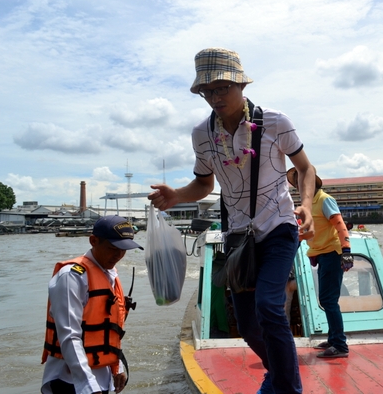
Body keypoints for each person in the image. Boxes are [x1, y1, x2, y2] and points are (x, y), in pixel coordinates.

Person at [148, 47, 316, 394]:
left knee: (269, 306)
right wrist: (176, 195)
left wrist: (308, 207)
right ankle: (277, 374)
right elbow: (204, 184)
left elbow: (305, 168)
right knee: (248, 325)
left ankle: (288, 389)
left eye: (222, 88)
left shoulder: (275, 122)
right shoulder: (202, 134)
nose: (215, 97)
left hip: (279, 225)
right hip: (237, 237)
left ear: (241, 85)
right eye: (207, 91)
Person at [41, 215, 143, 394]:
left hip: (101, 377)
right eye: (113, 248)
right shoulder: (72, 276)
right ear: (93, 241)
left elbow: (110, 328)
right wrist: (88, 386)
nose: (119, 256)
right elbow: (69, 335)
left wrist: (116, 366)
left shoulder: (110, 274)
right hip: (70, 381)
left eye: (123, 250)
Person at [286, 167, 352, 358]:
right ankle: (333, 339)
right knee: (327, 299)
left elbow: (339, 225)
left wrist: (346, 252)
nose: (299, 185)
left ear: (312, 182)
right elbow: (305, 232)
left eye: (302, 180)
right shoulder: (307, 206)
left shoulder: (324, 200)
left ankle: (340, 345)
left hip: (332, 253)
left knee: (328, 300)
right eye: (297, 182)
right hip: (322, 254)